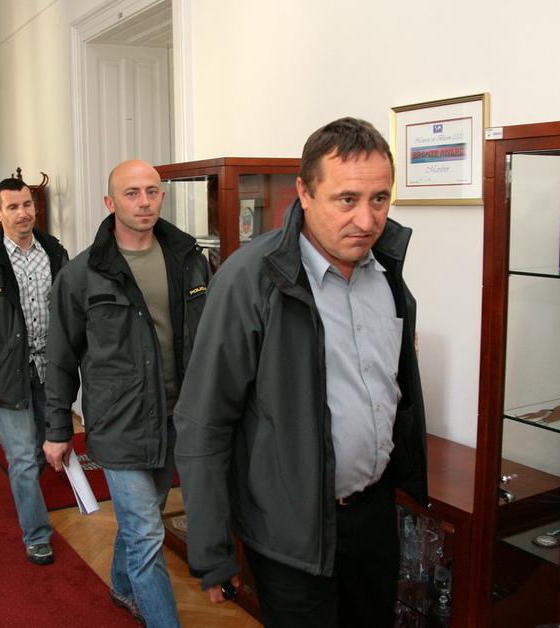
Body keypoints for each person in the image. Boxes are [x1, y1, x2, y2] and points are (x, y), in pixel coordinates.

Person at [173, 118, 428, 628]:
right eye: (347, 199)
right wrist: (212, 548)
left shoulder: (387, 273)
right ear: (304, 194)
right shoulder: (250, 279)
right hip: (290, 530)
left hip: (373, 517)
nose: (366, 219)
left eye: (380, 199)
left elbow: (392, 389)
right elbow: (204, 421)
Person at [44, 160, 210, 627]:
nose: (144, 202)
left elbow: (211, 338)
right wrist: (57, 429)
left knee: (146, 519)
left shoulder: (189, 260)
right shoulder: (81, 275)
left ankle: (121, 585)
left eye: (152, 192)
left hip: (177, 417)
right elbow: (59, 357)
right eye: (132, 193)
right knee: (146, 534)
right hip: (119, 423)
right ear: (110, 202)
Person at [0, 177, 69, 565]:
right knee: (21, 457)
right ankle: (36, 534)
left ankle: (26, 495)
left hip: (51, 371)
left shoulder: (54, 253)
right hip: (8, 374)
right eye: (13, 207)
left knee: (44, 449)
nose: (23, 213)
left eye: (27, 205)